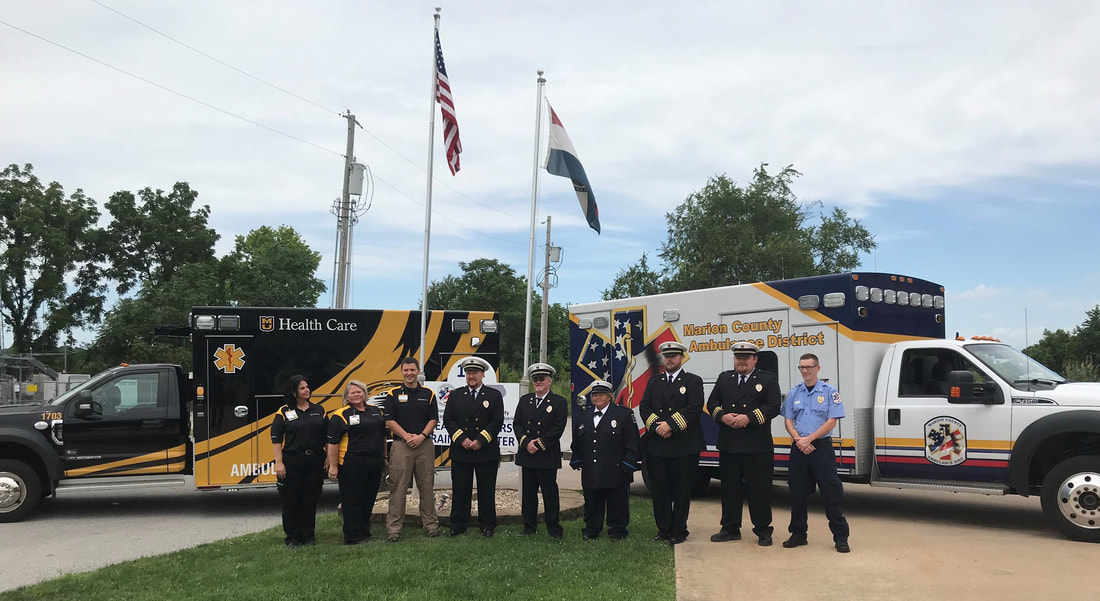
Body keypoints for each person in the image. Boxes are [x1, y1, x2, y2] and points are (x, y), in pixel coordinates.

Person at [705, 342, 782, 546]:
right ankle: (730, 528)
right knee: (730, 488)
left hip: (756, 445)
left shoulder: (767, 379)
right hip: (729, 444)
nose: (741, 361)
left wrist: (749, 418)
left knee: (759, 490)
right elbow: (712, 403)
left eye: (746, 358)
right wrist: (722, 416)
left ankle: (763, 529)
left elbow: (774, 406)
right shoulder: (725, 378)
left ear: (754, 359)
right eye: (738, 357)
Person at [781, 353, 851, 553]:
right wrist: (798, 439)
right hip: (799, 447)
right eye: (802, 367)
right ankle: (798, 534)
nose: (805, 371)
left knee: (831, 492)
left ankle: (840, 537)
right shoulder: (794, 393)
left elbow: (832, 421)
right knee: (797, 493)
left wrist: (808, 439)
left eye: (809, 367)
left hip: (820, 447)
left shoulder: (829, 392)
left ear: (818, 368)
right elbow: (788, 420)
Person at [639, 340, 705, 544]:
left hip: (684, 446)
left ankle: (679, 530)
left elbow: (694, 407)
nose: (669, 359)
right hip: (658, 445)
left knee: (682, 490)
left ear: (681, 358)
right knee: (660, 490)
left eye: (673, 356)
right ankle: (663, 529)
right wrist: (657, 427)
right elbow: (644, 407)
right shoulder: (654, 382)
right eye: (666, 356)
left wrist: (670, 426)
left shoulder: (693, 381)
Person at [569, 380, 640, 540]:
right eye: (594, 394)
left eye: (601, 394)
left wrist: (629, 463)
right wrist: (576, 458)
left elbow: (633, 442)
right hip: (591, 467)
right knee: (592, 499)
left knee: (617, 501)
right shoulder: (584, 416)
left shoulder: (623, 414)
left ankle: (617, 529)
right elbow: (577, 441)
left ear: (609, 396)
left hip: (615, 468)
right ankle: (592, 527)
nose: (597, 397)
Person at [443, 356, 504, 538]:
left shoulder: (494, 395)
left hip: (485, 450)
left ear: (482, 375)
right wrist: (462, 439)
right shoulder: (455, 395)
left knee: (486, 490)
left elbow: (497, 421)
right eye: (469, 373)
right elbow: (449, 420)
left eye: (475, 373)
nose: (472, 376)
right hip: (462, 451)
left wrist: (480, 440)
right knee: (460, 490)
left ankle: (487, 525)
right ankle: (458, 524)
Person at [383, 357, 441, 542]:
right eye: (406, 370)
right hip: (401, 445)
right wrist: (407, 437)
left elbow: (433, 419)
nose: (409, 373)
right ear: (401, 372)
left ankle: (431, 525)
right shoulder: (392, 394)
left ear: (418, 372)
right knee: (398, 487)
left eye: (412, 370)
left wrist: (422, 436)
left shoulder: (428, 393)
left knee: (426, 486)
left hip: (424, 445)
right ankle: (394, 530)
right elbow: (389, 420)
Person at [327, 380, 388, 545]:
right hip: (351, 464)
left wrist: (384, 457)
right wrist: (333, 466)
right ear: (347, 396)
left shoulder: (376, 412)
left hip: (374, 463)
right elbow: (333, 443)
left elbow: (382, 436)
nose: (356, 394)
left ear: (364, 393)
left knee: (368, 498)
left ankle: (365, 532)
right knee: (352, 500)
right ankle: (352, 536)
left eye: (359, 391)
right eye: (352, 392)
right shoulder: (341, 415)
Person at [271, 375, 327, 547]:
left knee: (310, 501)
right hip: (292, 461)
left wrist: (328, 459)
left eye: (308, 387)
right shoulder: (283, 412)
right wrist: (279, 463)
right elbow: (276, 439)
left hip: (315, 461)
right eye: (302, 388)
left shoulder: (319, 410)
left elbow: (327, 437)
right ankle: (293, 537)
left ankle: (308, 535)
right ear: (294, 391)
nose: (307, 390)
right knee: (291, 502)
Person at [514, 362, 568, 538]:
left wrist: (538, 445)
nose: (538, 382)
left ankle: (554, 529)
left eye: (541, 379)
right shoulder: (524, 401)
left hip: (546, 455)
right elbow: (517, 425)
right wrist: (526, 443)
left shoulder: (559, 402)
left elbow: (558, 428)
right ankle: (529, 527)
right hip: (527, 455)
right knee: (529, 494)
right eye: (535, 379)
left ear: (549, 381)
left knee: (549, 494)